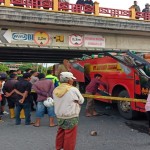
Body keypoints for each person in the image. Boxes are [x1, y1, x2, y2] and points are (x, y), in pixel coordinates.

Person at [53, 72, 84, 150]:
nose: (72, 80)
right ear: (68, 80)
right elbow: (81, 101)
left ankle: (59, 147)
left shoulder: (56, 89)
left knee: (61, 132)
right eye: (72, 79)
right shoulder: (73, 89)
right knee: (70, 135)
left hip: (60, 114)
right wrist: (76, 101)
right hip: (71, 115)